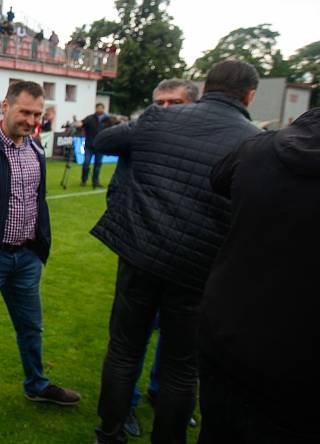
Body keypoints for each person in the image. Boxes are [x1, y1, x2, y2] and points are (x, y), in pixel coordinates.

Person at [90, 60, 261, 444]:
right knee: (181, 367)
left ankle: (110, 432)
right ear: (250, 95)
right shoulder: (254, 141)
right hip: (197, 267)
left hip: (143, 254)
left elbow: (105, 142)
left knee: (124, 350)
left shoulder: (159, 120)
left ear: (205, 86)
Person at [0, 80, 81, 433]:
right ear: (5, 107)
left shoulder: (36, 150)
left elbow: (38, 201)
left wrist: (40, 248)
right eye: (25, 112)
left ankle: (37, 386)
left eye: (37, 114)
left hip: (26, 260)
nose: (31, 120)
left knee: (31, 328)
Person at [198, 108, 320, 444]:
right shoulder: (258, 147)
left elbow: (220, 179)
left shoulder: (257, 149)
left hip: (228, 335)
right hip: (289, 365)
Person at [120, 78, 200, 438]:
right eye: (160, 104)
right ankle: (127, 406)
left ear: (195, 106)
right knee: (133, 340)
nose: (165, 110)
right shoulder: (143, 139)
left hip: (189, 260)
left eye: (175, 103)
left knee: (177, 342)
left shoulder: (207, 141)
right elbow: (105, 144)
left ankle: (164, 396)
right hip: (144, 257)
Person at [78, 103, 111, 188]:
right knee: (86, 163)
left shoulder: (107, 120)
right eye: (98, 108)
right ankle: (84, 180)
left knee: (98, 165)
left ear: (103, 109)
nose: (99, 109)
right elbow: (81, 123)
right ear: (95, 109)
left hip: (101, 146)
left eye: (101, 108)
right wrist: (76, 124)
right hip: (89, 145)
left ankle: (95, 181)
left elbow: (111, 130)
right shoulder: (90, 118)